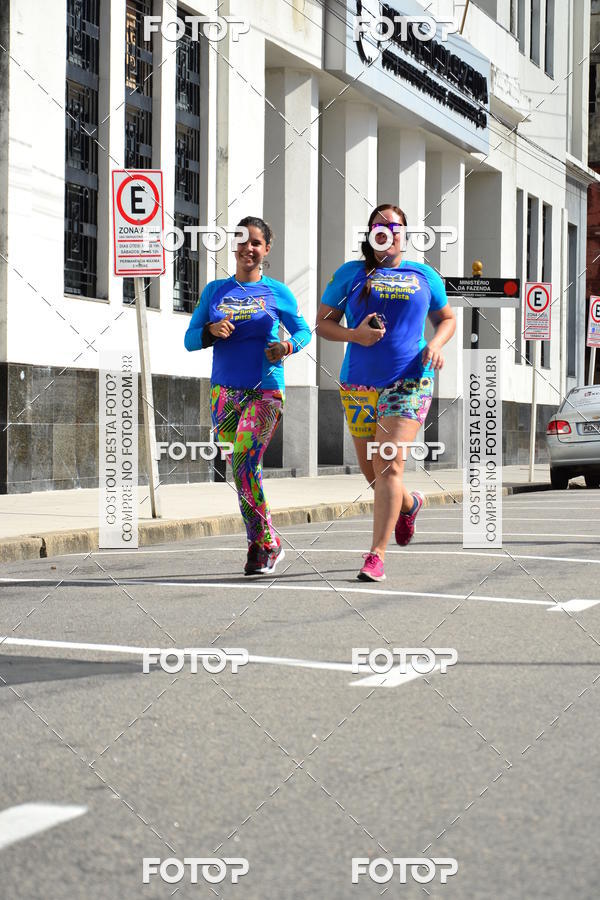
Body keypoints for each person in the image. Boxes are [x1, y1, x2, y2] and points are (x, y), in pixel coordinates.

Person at [316, 203, 456, 582]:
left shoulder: (425, 275)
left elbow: (446, 319)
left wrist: (437, 344)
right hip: (359, 383)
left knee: (389, 464)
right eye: (379, 226)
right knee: (374, 474)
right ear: (370, 233)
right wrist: (354, 335)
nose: (387, 232)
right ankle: (409, 505)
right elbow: (323, 325)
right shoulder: (351, 274)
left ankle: (376, 554)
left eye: (394, 227)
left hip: (409, 380)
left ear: (404, 234)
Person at [184, 216, 311, 575]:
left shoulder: (277, 292)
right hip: (223, 393)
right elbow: (190, 339)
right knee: (239, 471)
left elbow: (304, 332)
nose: (248, 248)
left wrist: (287, 345)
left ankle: (264, 545)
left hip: (265, 391)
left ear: (266, 249)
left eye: (256, 242)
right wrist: (210, 329)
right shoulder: (214, 292)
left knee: (243, 464)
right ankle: (261, 542)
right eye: (242, 241)